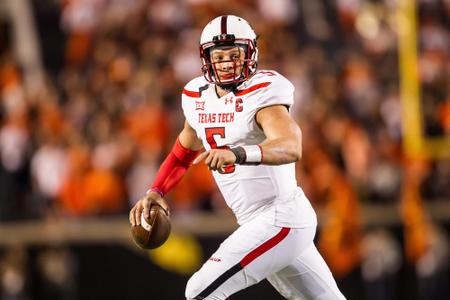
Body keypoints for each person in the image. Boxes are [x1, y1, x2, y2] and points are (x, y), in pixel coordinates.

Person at [129, 15, 346, 300]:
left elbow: (291, 146)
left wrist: (238, 153)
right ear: (206, 58)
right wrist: (157, 190)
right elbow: (183, 152)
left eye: (235, 54)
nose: (228, 62)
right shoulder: (197, 96)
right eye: (219, 55)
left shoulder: (263, 93)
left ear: (251, 53)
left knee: (199, 292)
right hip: (262, 223)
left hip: (280, 216)